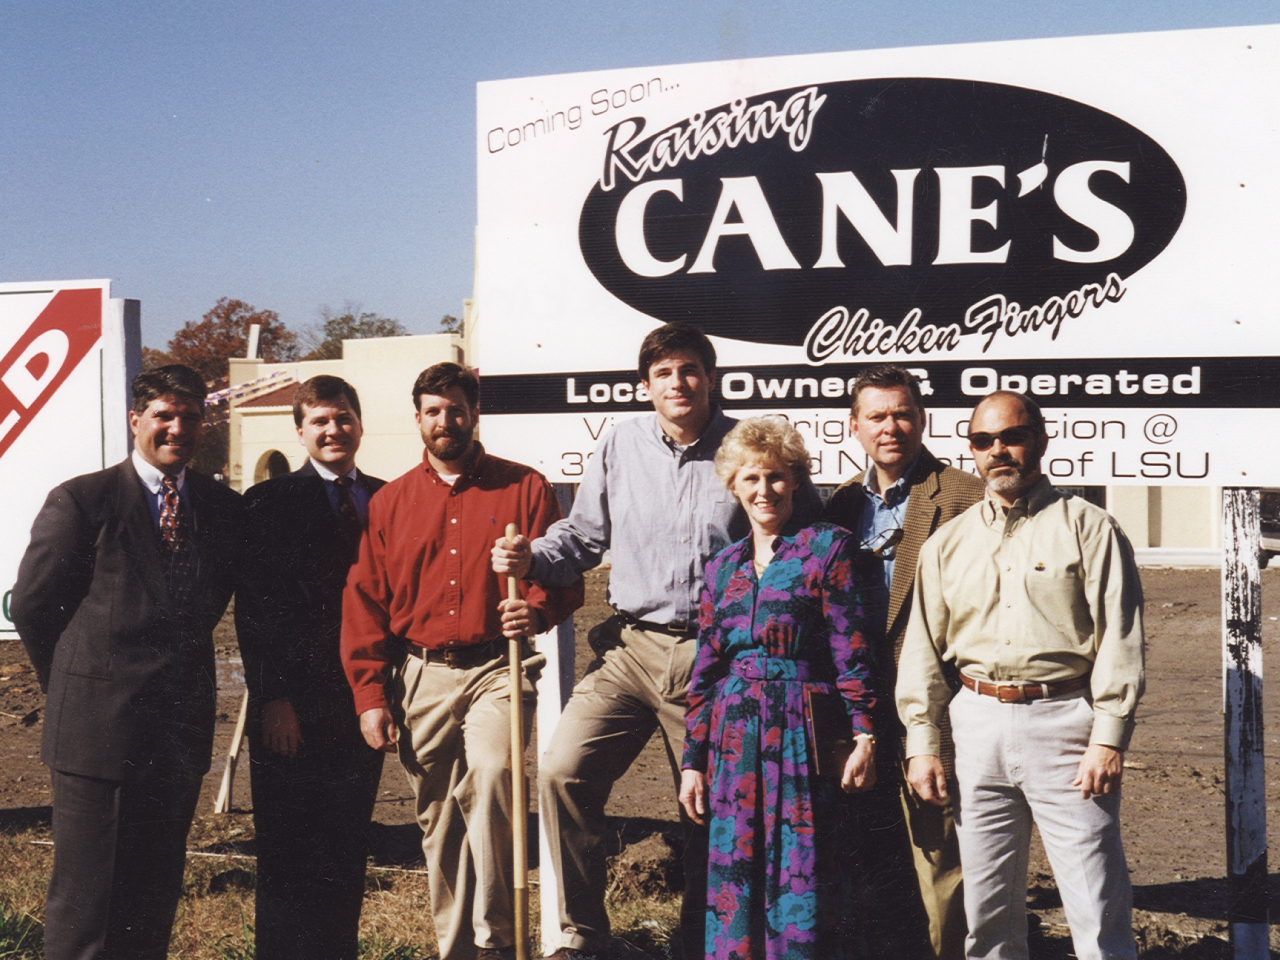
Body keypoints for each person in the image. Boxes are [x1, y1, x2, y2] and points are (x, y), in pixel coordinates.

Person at [491, 322, 819, 960]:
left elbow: (795, 541)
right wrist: (528, 557)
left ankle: (702, 943)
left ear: (710, 377)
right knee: (561, 773)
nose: (678, 382)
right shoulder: (620, 444)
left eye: (690, 369)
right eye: (664, 372)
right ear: (647, 385)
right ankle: (584, 939)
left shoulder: (745, 445)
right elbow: (581, 539)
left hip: (717, 660)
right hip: (630, 650)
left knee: (711, 812)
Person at [341, 362, 583, 960]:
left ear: (475, 413)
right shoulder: (391, 502)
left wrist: (538, 610)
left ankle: (499, 943)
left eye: (456, 409)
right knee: (441, 821)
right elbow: (366, 601)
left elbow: (562, 575)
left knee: (496, 782)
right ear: (418, 418)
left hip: (497, 667)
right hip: (420, 675)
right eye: (433, 411)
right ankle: (456, 950)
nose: (445, 421)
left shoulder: (524, 487)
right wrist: (370, 698)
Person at [897, 391, 1145, 960]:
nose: (998, 451)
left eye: (1011, 436)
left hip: (1066, 724)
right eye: (983, 441)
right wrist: (923, 742)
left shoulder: (1089, 528)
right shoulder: (947, 544)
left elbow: (1120, 637)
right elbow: (923, 653)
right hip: (977, 722)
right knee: (986, 912)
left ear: (1040, 438)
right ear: (972, 450)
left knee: (1095, 902)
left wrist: (1108, 737)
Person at [11, 364, 245, 960]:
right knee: (88, 909)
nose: (177, 428)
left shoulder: (220, 506)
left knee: (151, 902)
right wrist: (76, 683)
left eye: (189, 417)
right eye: (164, 415)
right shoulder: (83, 500)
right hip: (96, 735)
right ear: (135, 421)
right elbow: (37, 608)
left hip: (176, 735)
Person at [679, 417, 876, 960]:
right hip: (733, 739)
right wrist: (692, 759)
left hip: (801, 733)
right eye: (751, 479)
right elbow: (705, 671)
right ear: (733, 487)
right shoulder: (721, 568)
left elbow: (849, 648)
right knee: (734, 870)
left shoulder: (827, 549)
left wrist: (863, 733)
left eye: (775, 477)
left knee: (801, 866)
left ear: (795, 479)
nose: (764, 490)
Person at [823, 367, 983, 960]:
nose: (891, 427)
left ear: (923, 420)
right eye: (877, 416)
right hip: (858, 707)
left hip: (938, 702)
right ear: (854, 427)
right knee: (869, 857)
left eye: (902, 414)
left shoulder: (965, 495)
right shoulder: (838, 504)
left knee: (941, 857)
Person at [236, 375, 386, 960]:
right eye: (320, 421)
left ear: (359, 423)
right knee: (288, 851)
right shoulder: (268, 502)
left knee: (345, 846)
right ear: (300, 431)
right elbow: (255, 611)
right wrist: (273, 699)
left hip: (360, 700)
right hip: (290, 706)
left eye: (343, 417)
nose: (333, 430)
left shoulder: (385, 496)